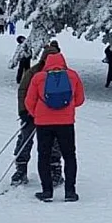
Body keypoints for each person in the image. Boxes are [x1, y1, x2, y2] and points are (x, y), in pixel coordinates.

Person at [24, 51, 85, 202]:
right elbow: (80, 99)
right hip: (66, 123)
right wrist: (67, 107)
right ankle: (70, 192)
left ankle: (47, 192)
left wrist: (36, 114)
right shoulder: (72, 76)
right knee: (69, 156)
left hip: (43, 123)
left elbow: (29, 101)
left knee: (43, 156)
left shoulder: (38, 77)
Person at [12, 43, 63, 187]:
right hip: (32, 113)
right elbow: (23, 91)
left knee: (54, 141)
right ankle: (21, 168)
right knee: (25, 139)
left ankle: (55, 168)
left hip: (52, 115)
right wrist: (23, 111)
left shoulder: (61, 73)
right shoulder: (33, 72)